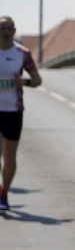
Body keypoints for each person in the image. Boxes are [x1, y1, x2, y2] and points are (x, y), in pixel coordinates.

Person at [0, 16, 42, 211]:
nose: (5, 32)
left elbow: (37, 79)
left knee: (9, 156)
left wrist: (23, 82)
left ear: (14, 31)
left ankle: (4, 192)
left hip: (13, 110)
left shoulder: (22, 53)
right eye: (2, 28)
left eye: (9, 28)